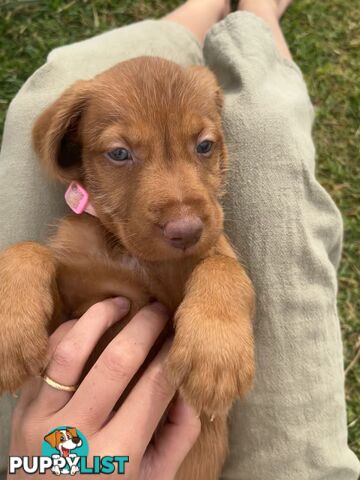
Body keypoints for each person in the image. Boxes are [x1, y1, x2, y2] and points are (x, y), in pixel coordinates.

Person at [0, 0, 359, 479]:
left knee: (48, 83)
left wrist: (220, 292)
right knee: (270, 116)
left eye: (204, 146)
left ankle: (208, 9)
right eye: (120, 153)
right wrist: (23, 267)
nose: (184, 219)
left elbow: (222, 275)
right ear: (70, 152)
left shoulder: (208, 258)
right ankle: (254, 19)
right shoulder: (77, 234)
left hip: (46, 451)